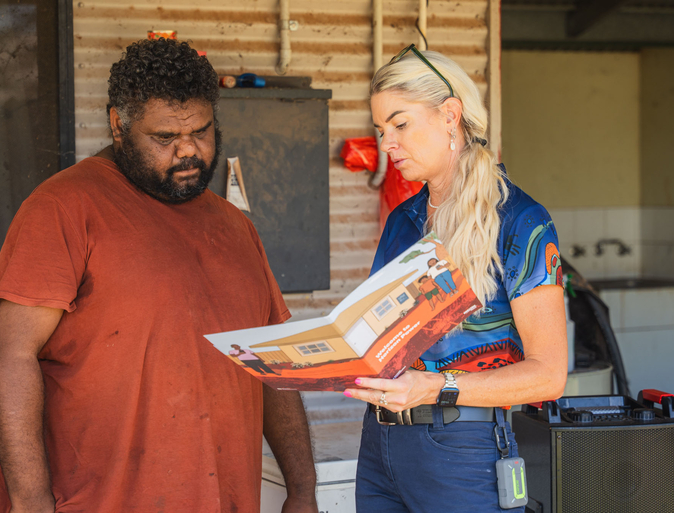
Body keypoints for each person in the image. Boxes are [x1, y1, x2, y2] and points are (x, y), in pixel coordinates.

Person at [0, 38, 318, 513]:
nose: (188, 150)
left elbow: (271, 363)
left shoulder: (236, 227)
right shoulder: (63, 208)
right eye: (165, 138)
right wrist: (30, 502)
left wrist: (302, 489)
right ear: (118, 125)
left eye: (202, 131)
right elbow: (11, 356)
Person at [343, 44, 568, 512]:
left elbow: (549, 375)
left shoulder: (520, 221)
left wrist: (435, 386)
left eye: (400, 125)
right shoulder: (403, 221)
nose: (387, 144)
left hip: (463, 450)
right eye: (381, 130)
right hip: (381, 444)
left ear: (450, 115)